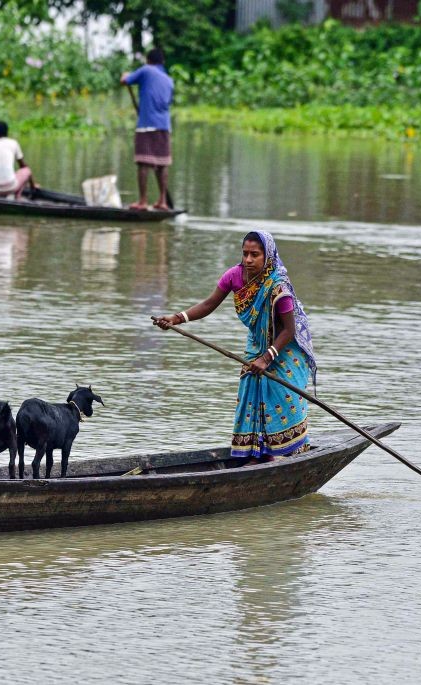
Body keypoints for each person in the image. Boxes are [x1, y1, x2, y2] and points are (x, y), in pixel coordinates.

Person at [152, 230, 317, 462]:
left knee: (283, 400)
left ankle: (287, 455)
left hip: (285, 349)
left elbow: (290, 331)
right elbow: (209, 303)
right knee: (251, 391)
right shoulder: (234, 276)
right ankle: (257, 454)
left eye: (255, 255)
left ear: (267, 256)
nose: (248, 260)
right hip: (257, 345)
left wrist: (267, 358)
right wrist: (176, 318)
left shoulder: (279, 288)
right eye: (245, 254)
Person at [120, 48, 174, 211]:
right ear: (162, 62)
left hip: (146, 125)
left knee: (144, 163)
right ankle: (162, 200)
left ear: (148, 60)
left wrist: (124, 76)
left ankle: (143, 201)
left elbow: (126, 81)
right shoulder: (169, 80)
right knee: (161, 164)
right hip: (164, 126)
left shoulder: (146, 70)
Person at [0, 121, 35, 199]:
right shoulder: (13, 143)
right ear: (7, 134)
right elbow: (22, 166)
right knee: (27, 170)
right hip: (10, 188)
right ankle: (18, 196)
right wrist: (33, 184)